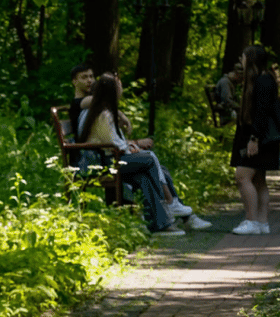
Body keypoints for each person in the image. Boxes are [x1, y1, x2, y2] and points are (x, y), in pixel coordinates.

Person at [76, 74, 210, 235]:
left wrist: (130, 146)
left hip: (111, 158)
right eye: (119, 86)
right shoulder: (103, 114)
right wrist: (132, 146)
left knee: (145, 175)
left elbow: (113, 142)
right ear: (112, 91)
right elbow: (113, 143)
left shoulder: (104, 111)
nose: (121, 89)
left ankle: (160, 225)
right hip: (108, 162)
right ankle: (169, 201)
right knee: (149, 158)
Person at [230, 45, 280, 235]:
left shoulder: (262, 81)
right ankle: (262, 222)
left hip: (259, 137)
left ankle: (252, 220)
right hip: (262, 137)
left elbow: (261, 112)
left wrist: (254, 139)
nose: (241, 60)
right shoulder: (265, 79)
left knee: (242, 176)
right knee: (259, 179)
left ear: (251, 60)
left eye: (244, 57)